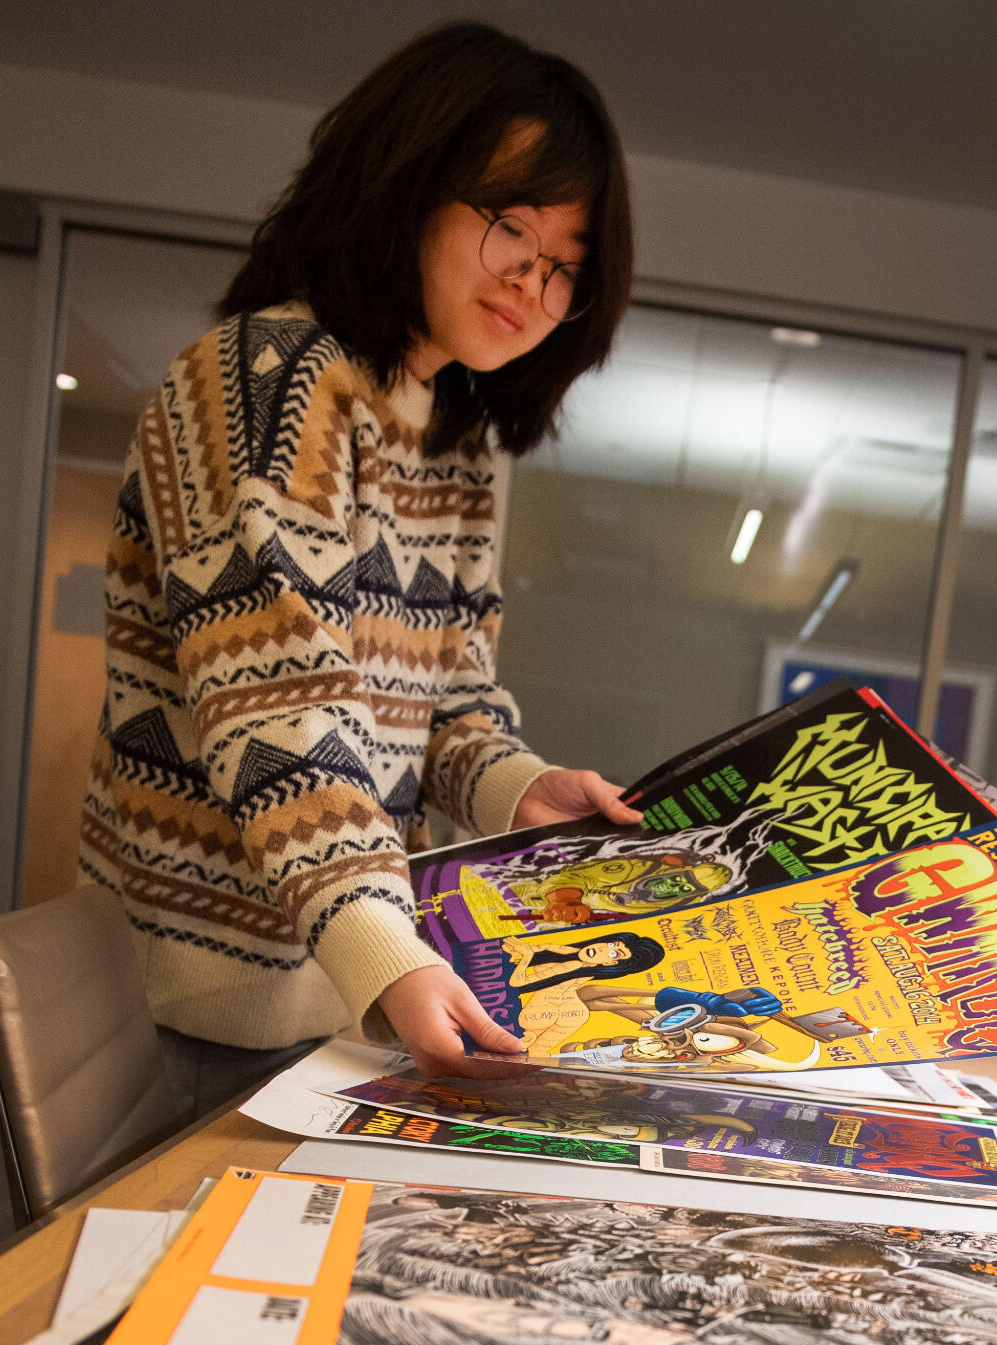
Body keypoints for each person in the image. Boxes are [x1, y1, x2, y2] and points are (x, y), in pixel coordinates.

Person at [78, 22, 639, 1117]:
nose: (532, 280)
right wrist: (387, 954)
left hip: (334, 988)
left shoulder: (455, 440)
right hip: (201, 994)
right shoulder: (264, 378)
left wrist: (522, 789)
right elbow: (271, 705)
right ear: (405, 185)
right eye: (510, 225)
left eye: (566, 264)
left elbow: (445, 710)